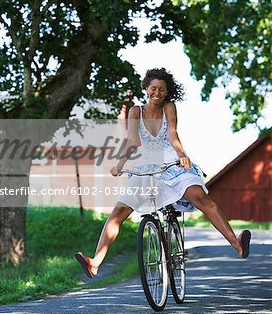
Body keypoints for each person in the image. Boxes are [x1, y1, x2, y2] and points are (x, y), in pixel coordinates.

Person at [75, 68, 251, 277]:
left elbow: (172, 133)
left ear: (167, 92)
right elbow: (132, 141)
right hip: (144, 167)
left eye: (162, 90)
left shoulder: (169, 107)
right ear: (146, 89)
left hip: (170, 163)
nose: (157, 93)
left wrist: (182, 154)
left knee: (201, 198)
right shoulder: (135, 112)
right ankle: (94, 262)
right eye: (153, 89)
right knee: (117, 214)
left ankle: (237, 244)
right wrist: (119, 164)